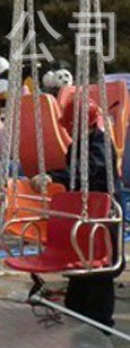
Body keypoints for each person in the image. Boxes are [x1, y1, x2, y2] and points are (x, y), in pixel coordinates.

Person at [39, 98, 122, 328]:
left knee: (100, 269)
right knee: (79, 263)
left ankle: (101, 324)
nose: (68, 131)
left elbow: (86, 171)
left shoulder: (100, 145)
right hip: (84, 214)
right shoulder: (77, 146)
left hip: (103, 215)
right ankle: (77, 314)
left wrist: (53, 177)